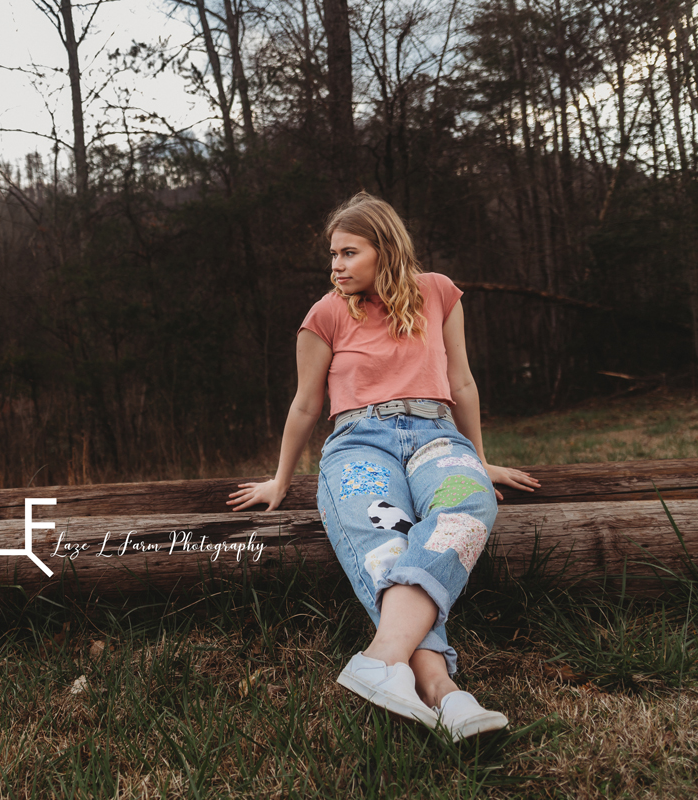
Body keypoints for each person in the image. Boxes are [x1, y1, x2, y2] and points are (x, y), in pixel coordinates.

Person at [227, 192, 539, 741]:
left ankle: (382, 658)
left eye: (348, 253)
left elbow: (462, 383)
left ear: (385, 249)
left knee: (467, 505)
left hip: (436, 433)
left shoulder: (438, 292)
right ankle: (444, 691)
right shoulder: (324, 315)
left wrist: (480, 460)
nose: (336, 266)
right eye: (332, 256)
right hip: (357, 441)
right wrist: (280, 479)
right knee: (385, 537)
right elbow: (304, 405)